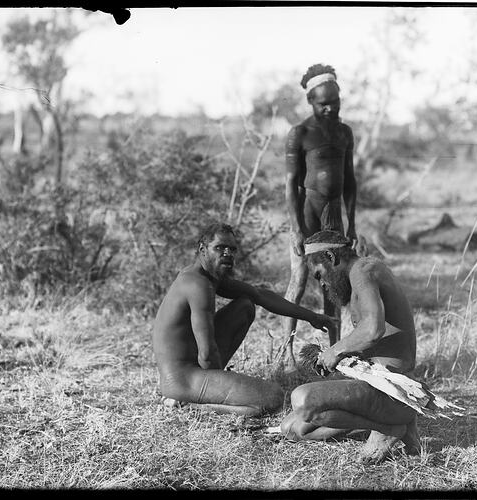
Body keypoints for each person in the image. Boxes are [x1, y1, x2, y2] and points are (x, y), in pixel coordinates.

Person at [152, 222, 337, 417]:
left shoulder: (208, 277)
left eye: (232, 249)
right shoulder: (198, 285)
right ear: (202, 250)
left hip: (188, 371)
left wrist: (312, 317)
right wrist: (219, 383)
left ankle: (197, 395)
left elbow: (259, 295)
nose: (227, 253)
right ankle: (192, 403)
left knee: (244, 306)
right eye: (219, 248)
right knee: (273, 397)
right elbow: (207, 354)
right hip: (182, 379)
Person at [279, 230, 421, 463]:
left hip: (394, 392)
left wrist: (335, 350)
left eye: (319, 275)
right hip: (377, 387)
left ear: (330, 257)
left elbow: (374, 329)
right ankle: (395, 426)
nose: (323, 284)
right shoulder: (363, 272)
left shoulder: (363, 271)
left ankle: (389, 428)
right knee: (292, 427)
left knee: (302, 399)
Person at [282, 63, 358, 350]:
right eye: (323, 104)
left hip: (334, 214)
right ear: (310, 101)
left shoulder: (344, 133)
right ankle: (285, 353)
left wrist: (352, 223)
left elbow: (350, 180)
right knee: (299, 279)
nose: (330, 109)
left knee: (336, 283)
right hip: (307, 213)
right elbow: (291, 183)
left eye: (335, 103)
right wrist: (296, 229)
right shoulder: (300, 133)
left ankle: (336, 350)